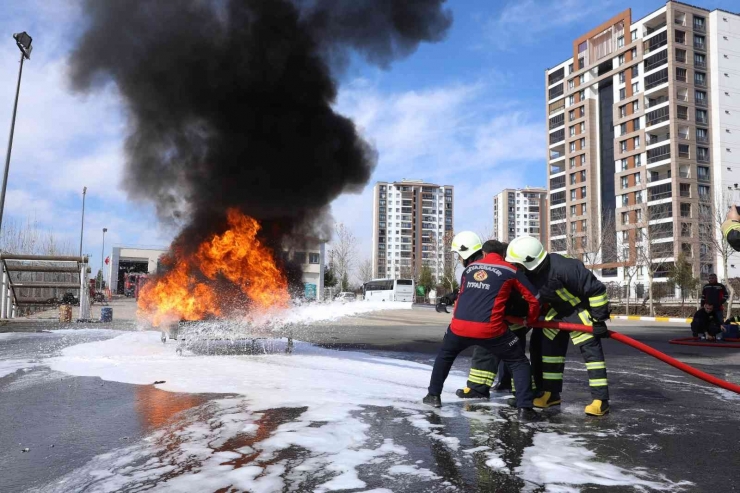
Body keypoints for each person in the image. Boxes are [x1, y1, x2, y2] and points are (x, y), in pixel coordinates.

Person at [423, 231, 541, 421]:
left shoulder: (469, 270)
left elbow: (462, 295)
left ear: (484, 253)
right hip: (491, 329)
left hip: (458, 327)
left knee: (444, 356)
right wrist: (531, 319)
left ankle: (433, 396)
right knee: (519, 362)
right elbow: (534, 298)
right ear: (504, 254)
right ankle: (525, 408)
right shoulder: (511, 270)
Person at [505, 236, 611, 417]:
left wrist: (599, 320)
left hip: (580, 312)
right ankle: (551, 393)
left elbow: (596, 290)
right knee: (548, 351)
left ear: (529, 261)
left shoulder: (566, 268)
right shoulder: (530, 274)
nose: (516, 268)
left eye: (518, 264)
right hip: (557, 314)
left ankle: (601, 400)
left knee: (592, 356)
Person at [454, 240, 535, 399]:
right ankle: (485, 387)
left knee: (510, 355)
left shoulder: (507, 269)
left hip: (510, 319)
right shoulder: (494, 266)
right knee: (491, 352)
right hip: (500, 318)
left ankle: (520, 392)